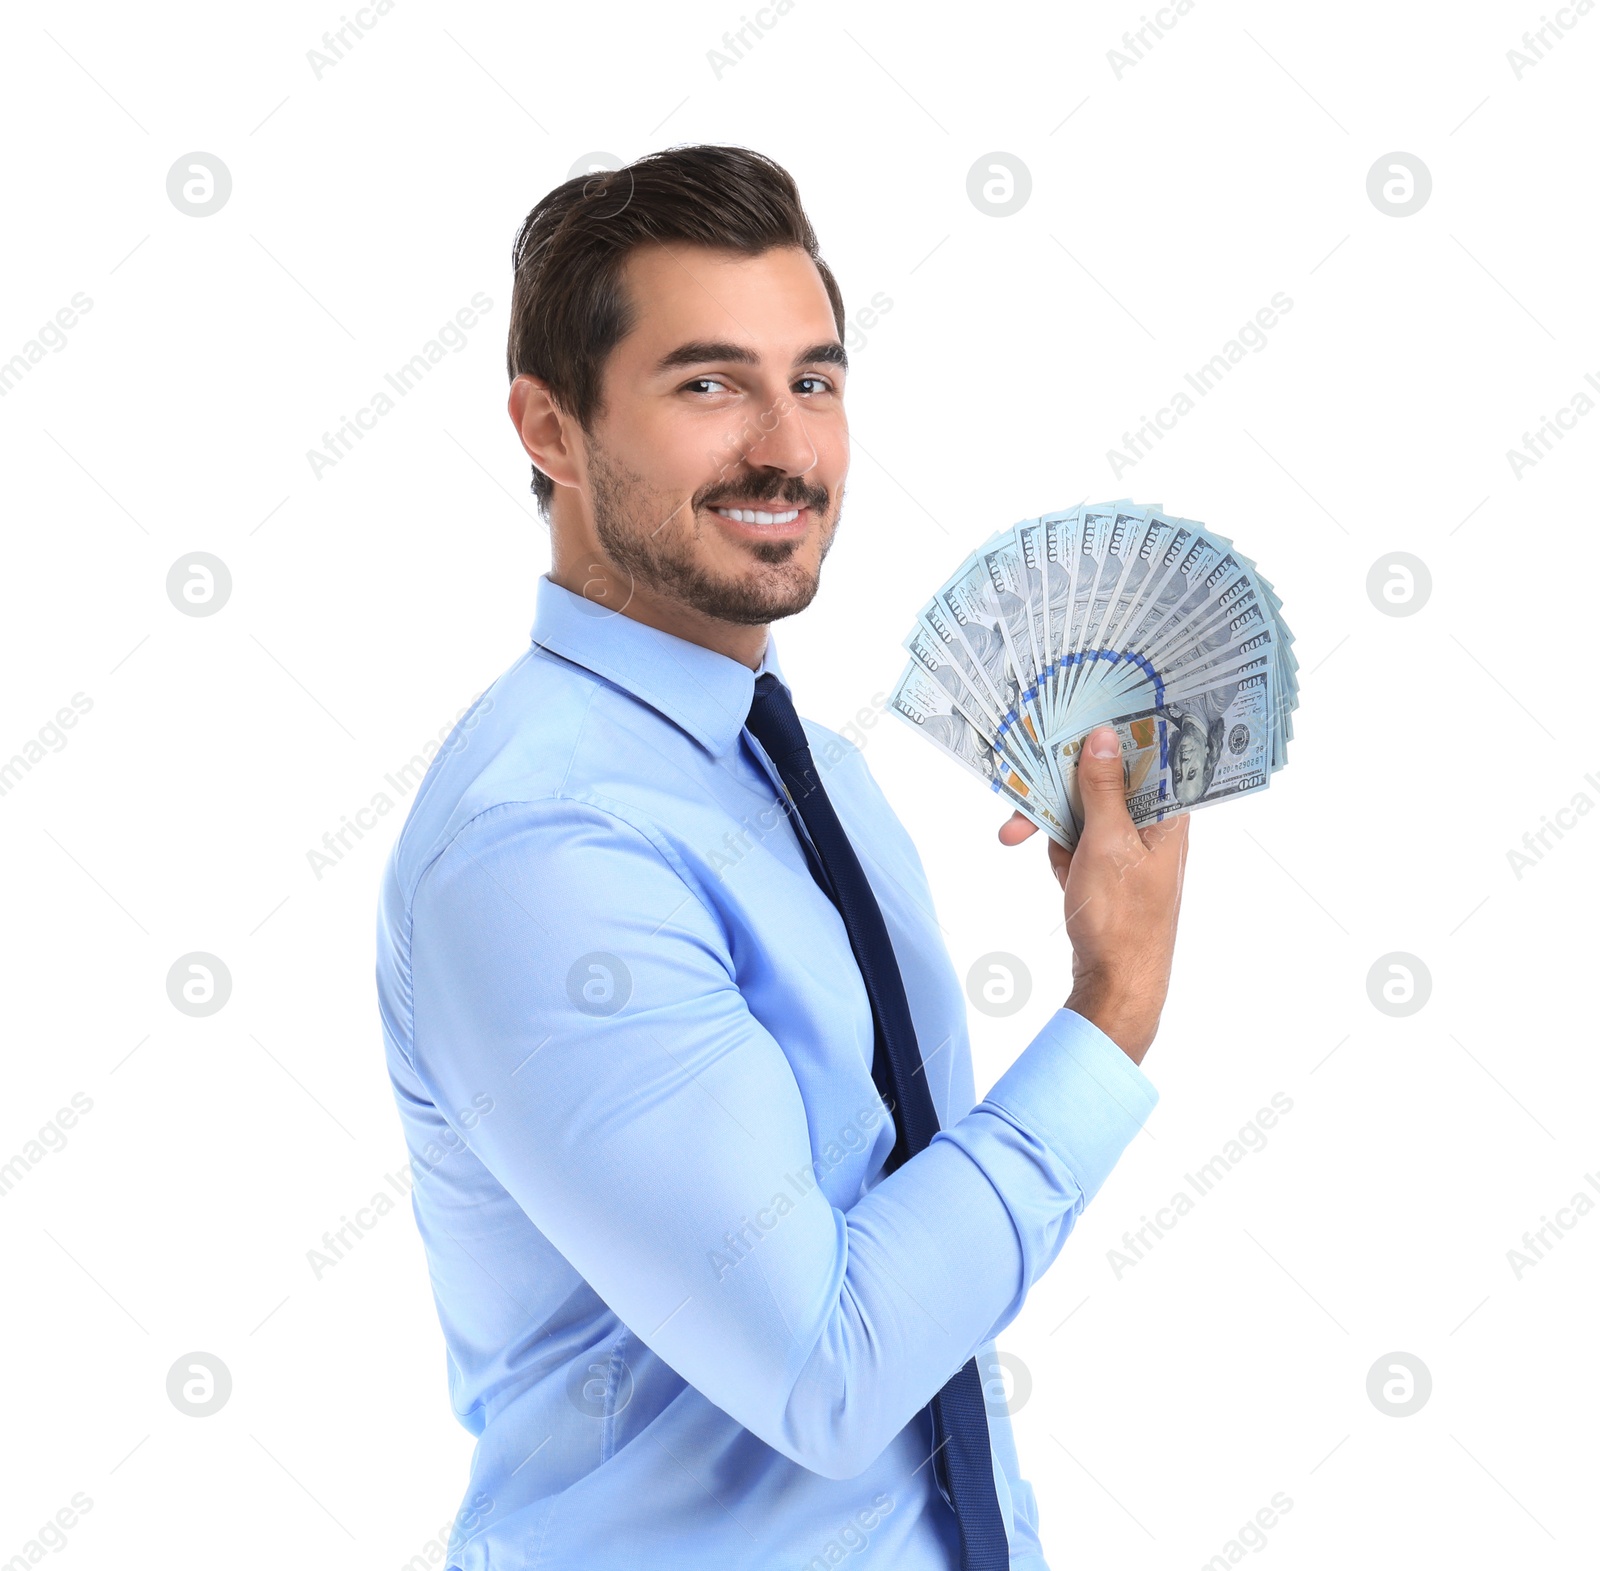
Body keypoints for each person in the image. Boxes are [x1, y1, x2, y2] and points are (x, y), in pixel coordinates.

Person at [375, 144, 1189, 1571]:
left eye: (812, 381)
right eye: (709, 384)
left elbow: (912, 1333)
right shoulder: (543, 848)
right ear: (548, 429)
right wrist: (1112, 1000)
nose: (786, 447)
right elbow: (829, 1367)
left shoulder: (817, 776)